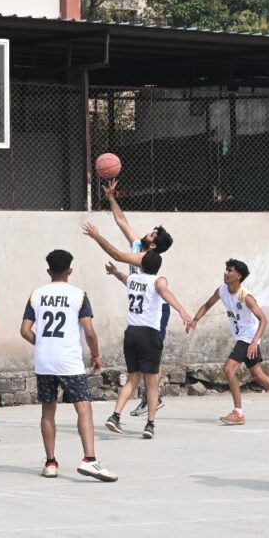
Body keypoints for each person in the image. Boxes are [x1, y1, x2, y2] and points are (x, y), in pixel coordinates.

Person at [20, 249, 117, 481]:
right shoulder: (79, 295)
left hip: (44, 361)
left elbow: (24, 330)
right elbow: (89, 332)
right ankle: (90, 460)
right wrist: (96, 355)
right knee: (83, 406)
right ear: (70, 270)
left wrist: (42, 344)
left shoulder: (36, 295)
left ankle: (51, 463)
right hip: (69, 361)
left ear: (48, 271)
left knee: (48, 409)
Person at [82, 179, 174, 418]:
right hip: (143, 308)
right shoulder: (137, 245)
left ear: (153, 245)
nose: (148, 232)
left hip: (157, 310)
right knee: (143, 357)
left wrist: (97, 236)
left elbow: (115, 254)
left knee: (151, 356)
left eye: (152, 233)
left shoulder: (143, 258)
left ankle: (152, 398)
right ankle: (151, 397)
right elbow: (122, 221)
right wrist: (111, 198)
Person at [190, 259, 269, 425]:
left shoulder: (246, 297)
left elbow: (263, 320)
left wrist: (254, 342)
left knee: (228, 369)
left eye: (230, 270)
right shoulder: (222, 290)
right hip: (242, 337)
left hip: (248, 337)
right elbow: (207, 304)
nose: (225, 273)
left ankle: (238, 413)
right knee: (258, 375)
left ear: (238, 276)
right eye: (226, 269)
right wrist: (195, 320)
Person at [103, 251, 193, 440]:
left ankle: (115, 416)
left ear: (141, 265)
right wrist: (182, 311)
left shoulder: (133, 279)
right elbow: (164, 291)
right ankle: (150, 424)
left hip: (131, 333)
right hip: (149, 334)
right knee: (152, 384)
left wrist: (114, 271)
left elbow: (122, 277)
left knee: (132, 379)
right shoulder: (158, 281)